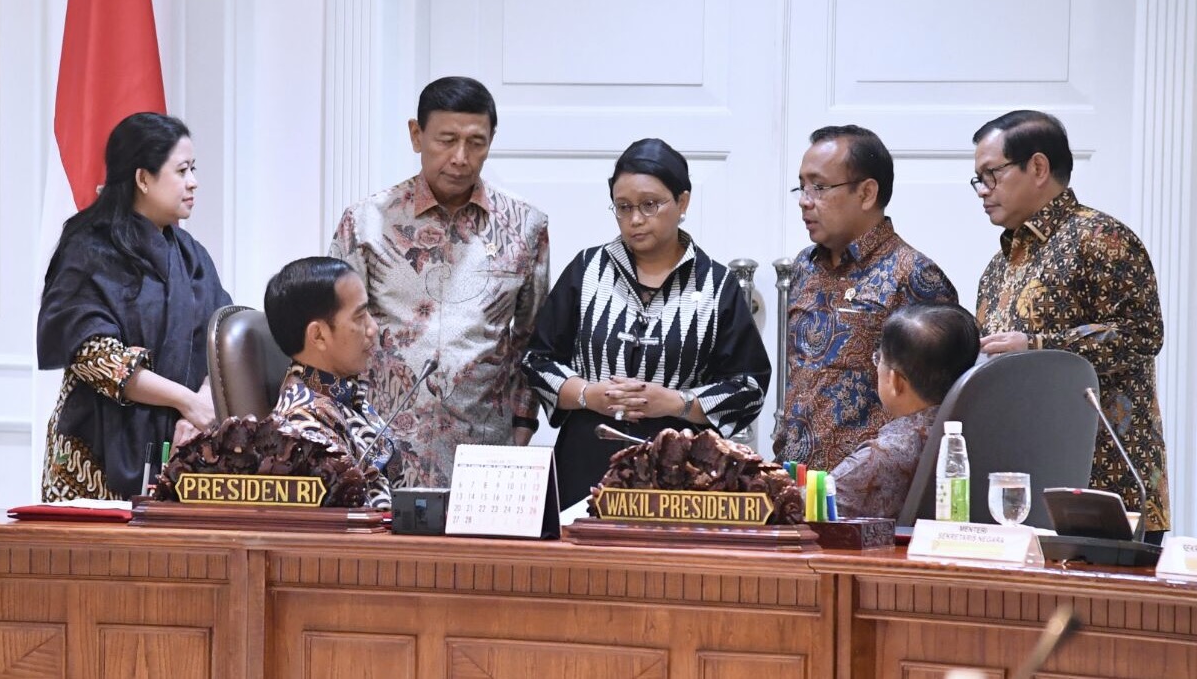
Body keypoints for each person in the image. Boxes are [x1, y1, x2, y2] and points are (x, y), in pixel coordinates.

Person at [522, 138, 771, 506]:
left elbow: (748, 387)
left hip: (683, 472)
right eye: (623, 207)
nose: (635, 219)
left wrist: (675, 403)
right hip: (586, 461)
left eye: (650, 205)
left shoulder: (717, 285)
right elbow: (537, 361)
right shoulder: (587, 270)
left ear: (682, 202)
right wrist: (591, 395)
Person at [330, 76, 549, 487]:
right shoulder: (366, 222)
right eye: (446, 140)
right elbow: (334, 330)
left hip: (484, 451)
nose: (461, 157)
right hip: (380, 446)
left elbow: (530, 335)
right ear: (417, 135)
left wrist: (523, 423)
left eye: (476, 142)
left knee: (476, 555)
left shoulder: (525, 228)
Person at [971, 110, 1169, 537]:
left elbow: (1142, 335)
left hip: (1106, 484)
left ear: (1038, 167)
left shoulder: (1101, 238)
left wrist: (1038, 345)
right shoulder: (997, 268)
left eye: (992, 175)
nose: (983, 191)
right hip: (1022, 485)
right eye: (978, 179)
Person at [38, 112, 230, 501]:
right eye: (181, 171)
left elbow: (224, 334)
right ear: (143, 179)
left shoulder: (191, 256)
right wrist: (186, 401)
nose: (193, 182)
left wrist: (204, 403)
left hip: (183, 448)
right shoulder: (88, 249)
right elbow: (96, 356)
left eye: (193, 169)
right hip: (93, 455)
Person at [775, 125, 958, 472]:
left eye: (819, 186)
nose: (804, 199)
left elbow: (936, 412)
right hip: (796, 481)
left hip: (869, 493)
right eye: (801, 186)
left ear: (867, 193)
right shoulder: (803, 266)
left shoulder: (914, 274)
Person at [263, 257, 403, 509]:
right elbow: (348, 532)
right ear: (318, 335)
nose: (373, 327)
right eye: (359, 317)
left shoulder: (341, 394)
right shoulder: (300, 431)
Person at [830, 304, 979, 519]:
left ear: (895, 381)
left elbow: (803, 511)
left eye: (878, 359)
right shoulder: (988, 437)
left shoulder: (878, 460)